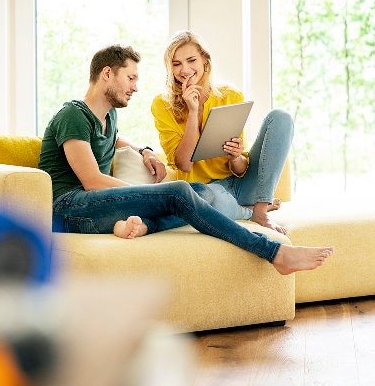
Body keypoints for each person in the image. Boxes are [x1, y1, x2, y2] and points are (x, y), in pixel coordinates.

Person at [38, 44, 333, 275]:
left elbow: (112, 140)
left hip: (93, 207)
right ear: (106, 74)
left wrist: (144, 151)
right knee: (179, 191)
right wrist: (155, 193)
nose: (135, 87)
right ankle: (275, 253)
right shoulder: (72, 115)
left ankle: (145, 225)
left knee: (199, 193)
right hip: (68, 208)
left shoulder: (106, 116)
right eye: (130, 77)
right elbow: (92, 181)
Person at [152, 30, 293, 234]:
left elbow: (240, 168)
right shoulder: (162, 105)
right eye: (176, 64)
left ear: (205, 61)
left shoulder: (230, 95)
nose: (185, 69)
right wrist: (192, 111)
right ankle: (247, 212)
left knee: (281, 117)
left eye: (191, 60)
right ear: (170, 68)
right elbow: (183, 163)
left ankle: (261, 209)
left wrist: (235, 156)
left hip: (240, 185)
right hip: (205, 191)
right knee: (204, 202)